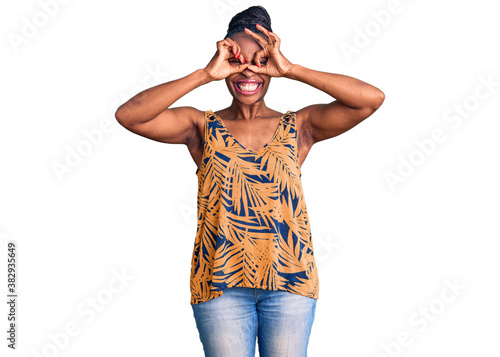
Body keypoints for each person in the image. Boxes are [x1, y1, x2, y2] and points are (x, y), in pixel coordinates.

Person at [115, 5, 384, 357]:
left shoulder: (299, 126)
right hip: (220, 284)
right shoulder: (200, 126)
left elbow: (370, 99)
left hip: (290, 281)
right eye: (238, 59)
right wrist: (203, 74)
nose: (248, 71)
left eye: (260, 60)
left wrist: (292, 69)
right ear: (224, 59)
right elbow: (129, 115)